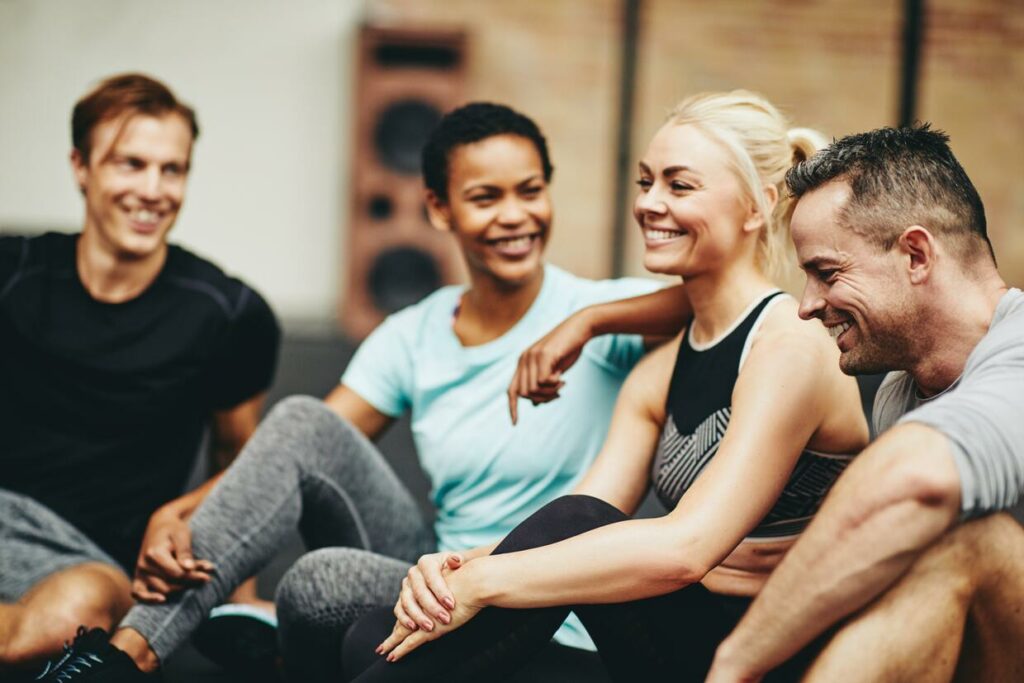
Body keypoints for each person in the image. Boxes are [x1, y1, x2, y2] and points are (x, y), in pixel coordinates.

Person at [35, 102, 693, 683]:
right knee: (302, 441)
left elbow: (707, 298)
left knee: (311, 587)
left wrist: (585, 323)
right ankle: (124, 656)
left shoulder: (608, 311)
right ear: (439, 208)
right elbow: (298, 444)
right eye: (486, 197)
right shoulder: (416, 332)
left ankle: (283, 646)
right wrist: (178, 510)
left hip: (553, 600)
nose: (515, 215)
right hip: (441, 579)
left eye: (530, 191)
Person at [342, 90, 870, 682]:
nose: (649, 203)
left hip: (772, 650)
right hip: (671, 636)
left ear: (757, 206)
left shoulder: (787, 346)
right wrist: (453, 567)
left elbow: (684, 552)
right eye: (646, 182)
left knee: (569, 531)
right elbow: (585, 512)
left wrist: (482, 584)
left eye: (680, 185)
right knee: (371, 637)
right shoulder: (659, 368)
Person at [701, 125, 1024, 682]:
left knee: (969, 541)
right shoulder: (900, 394)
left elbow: (919, 481)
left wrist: (734, 664)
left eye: (827, 274)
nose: (807, 307)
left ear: (916, 255)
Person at [0, 73, 280, 678]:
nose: (153, 190)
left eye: (172, 170)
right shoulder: (14, 272)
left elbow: (239, 460)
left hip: (92, 563)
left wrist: (235, 596)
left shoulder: (229, 313)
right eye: (131, 164)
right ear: (81, 166)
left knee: (68, 613)